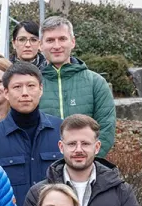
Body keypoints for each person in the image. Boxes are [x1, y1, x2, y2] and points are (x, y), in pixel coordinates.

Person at [0, 62, 62, 206]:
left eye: (31, 86)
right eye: (17, 87)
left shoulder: (61, 131)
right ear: (6, 92)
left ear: (41, 89)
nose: (25, 93)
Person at [39, 16, 116, 157]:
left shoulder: (96, 82)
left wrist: (84, 162)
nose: (57, 46)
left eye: (62, 39)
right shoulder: (32, 84)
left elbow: (106, 129)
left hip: (85, 164)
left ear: (73, 42)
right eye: (50, 40)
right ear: (40, 45)